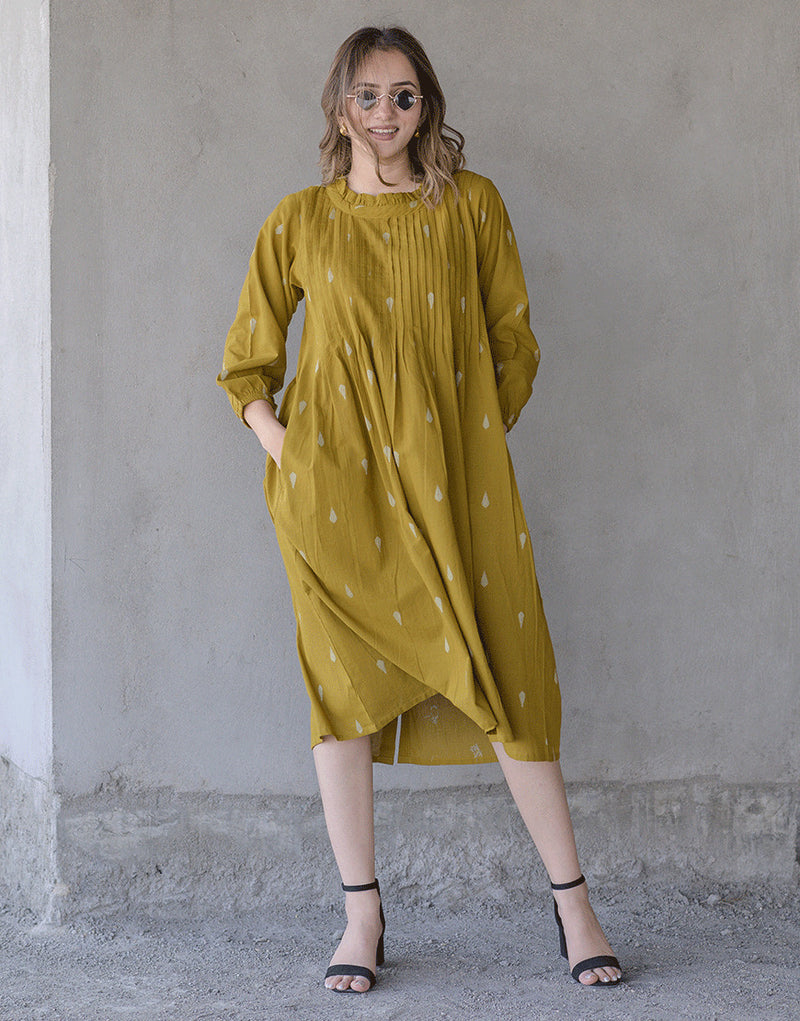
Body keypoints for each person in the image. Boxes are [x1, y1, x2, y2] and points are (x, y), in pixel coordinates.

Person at [217, 25, 622, 993]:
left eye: (404, 96)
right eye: (367, 96)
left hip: (456, 497)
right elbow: (245, 364)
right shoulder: (299, 221)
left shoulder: (472, 206)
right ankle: (361, 912)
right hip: (335, 509)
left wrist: (462, 442)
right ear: (339, 107)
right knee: (340, 698)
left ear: (426, 106)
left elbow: (513, 344)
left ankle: (574, 903)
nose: (385, 114)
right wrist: (296, 458)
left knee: (511, 677)